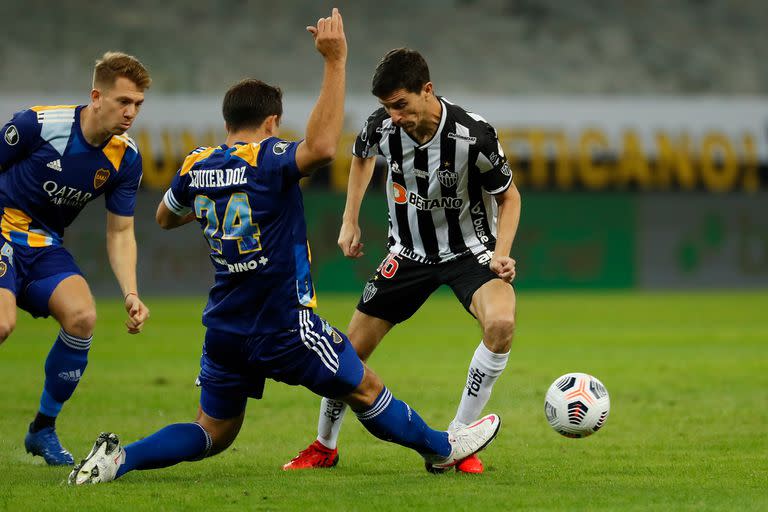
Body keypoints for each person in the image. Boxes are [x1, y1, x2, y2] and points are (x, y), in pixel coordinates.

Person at [68, 9, 500, 486]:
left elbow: (165, 217)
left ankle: (117, 460)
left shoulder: (196, 165)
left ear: (228, 118)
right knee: (365, 387)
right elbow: (320, 149)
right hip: (283, 322)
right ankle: (443, 448)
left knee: (212, 430)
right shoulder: (270, 158)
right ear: (271, 121)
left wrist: (214, 202)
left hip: (226, 325)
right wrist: (335, 61)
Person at [283, 48, 520, 474]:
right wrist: (349, 219)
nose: (393, 116)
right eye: (386, 107)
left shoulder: (474, 134)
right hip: (407, 253)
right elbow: (360, 158)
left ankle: (459, 439)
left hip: (469, 252)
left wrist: (501, 254)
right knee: (346, 355)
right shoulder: (381, 126)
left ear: (427, 91)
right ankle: (324, 446)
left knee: (501, 325)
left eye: (400, 105)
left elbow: (509, 196)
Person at [0, 52, 151, 466]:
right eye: (123, 102)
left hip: (44, 244)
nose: (131, 112)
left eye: (137, 104)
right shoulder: (37, 124)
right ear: (96, 96)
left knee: (83, 317)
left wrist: (131, 292)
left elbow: (120, 231)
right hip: (0, 228)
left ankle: (42, 430)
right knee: (2, 323)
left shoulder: (126, 157)